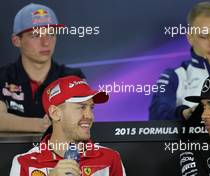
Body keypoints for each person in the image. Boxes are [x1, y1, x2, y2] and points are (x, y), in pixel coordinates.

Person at [9, 75, 126, 176]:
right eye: (81, 107)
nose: (90, 116)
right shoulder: (23, 162)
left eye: (91, 108)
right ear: (55, 113)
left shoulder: (111, 158)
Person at [0, 3, 85, 132]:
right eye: (36, 35)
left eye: (51, 34)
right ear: (16, 41)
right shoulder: (3, 76)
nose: (46, 43)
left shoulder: (72, 78)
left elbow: (82, 120)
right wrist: (41, 125)